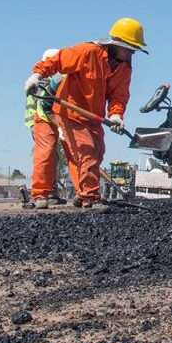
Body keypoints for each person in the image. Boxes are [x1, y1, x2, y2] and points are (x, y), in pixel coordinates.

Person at [24, 17, 147, 211]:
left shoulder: (124, 68)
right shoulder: (87, 52)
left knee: (97, 152)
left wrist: (116, 115)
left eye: (134, 49)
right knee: (86, 151)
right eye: (129, 48)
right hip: (70, 111)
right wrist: (37, 74)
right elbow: (57, 60)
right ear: (116, 43)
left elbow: (119, 96)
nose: (131, 53)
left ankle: (82, 195)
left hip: (92, 116)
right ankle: (89, 198)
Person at [23, 49, 65, 209]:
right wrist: (59, 127)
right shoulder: (40, 83)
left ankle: (52, 192)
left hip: (51, 120)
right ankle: (40, 193)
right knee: (45, 154)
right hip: (41, 122)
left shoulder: (54, 80)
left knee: (53, 157)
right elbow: (42, 107)